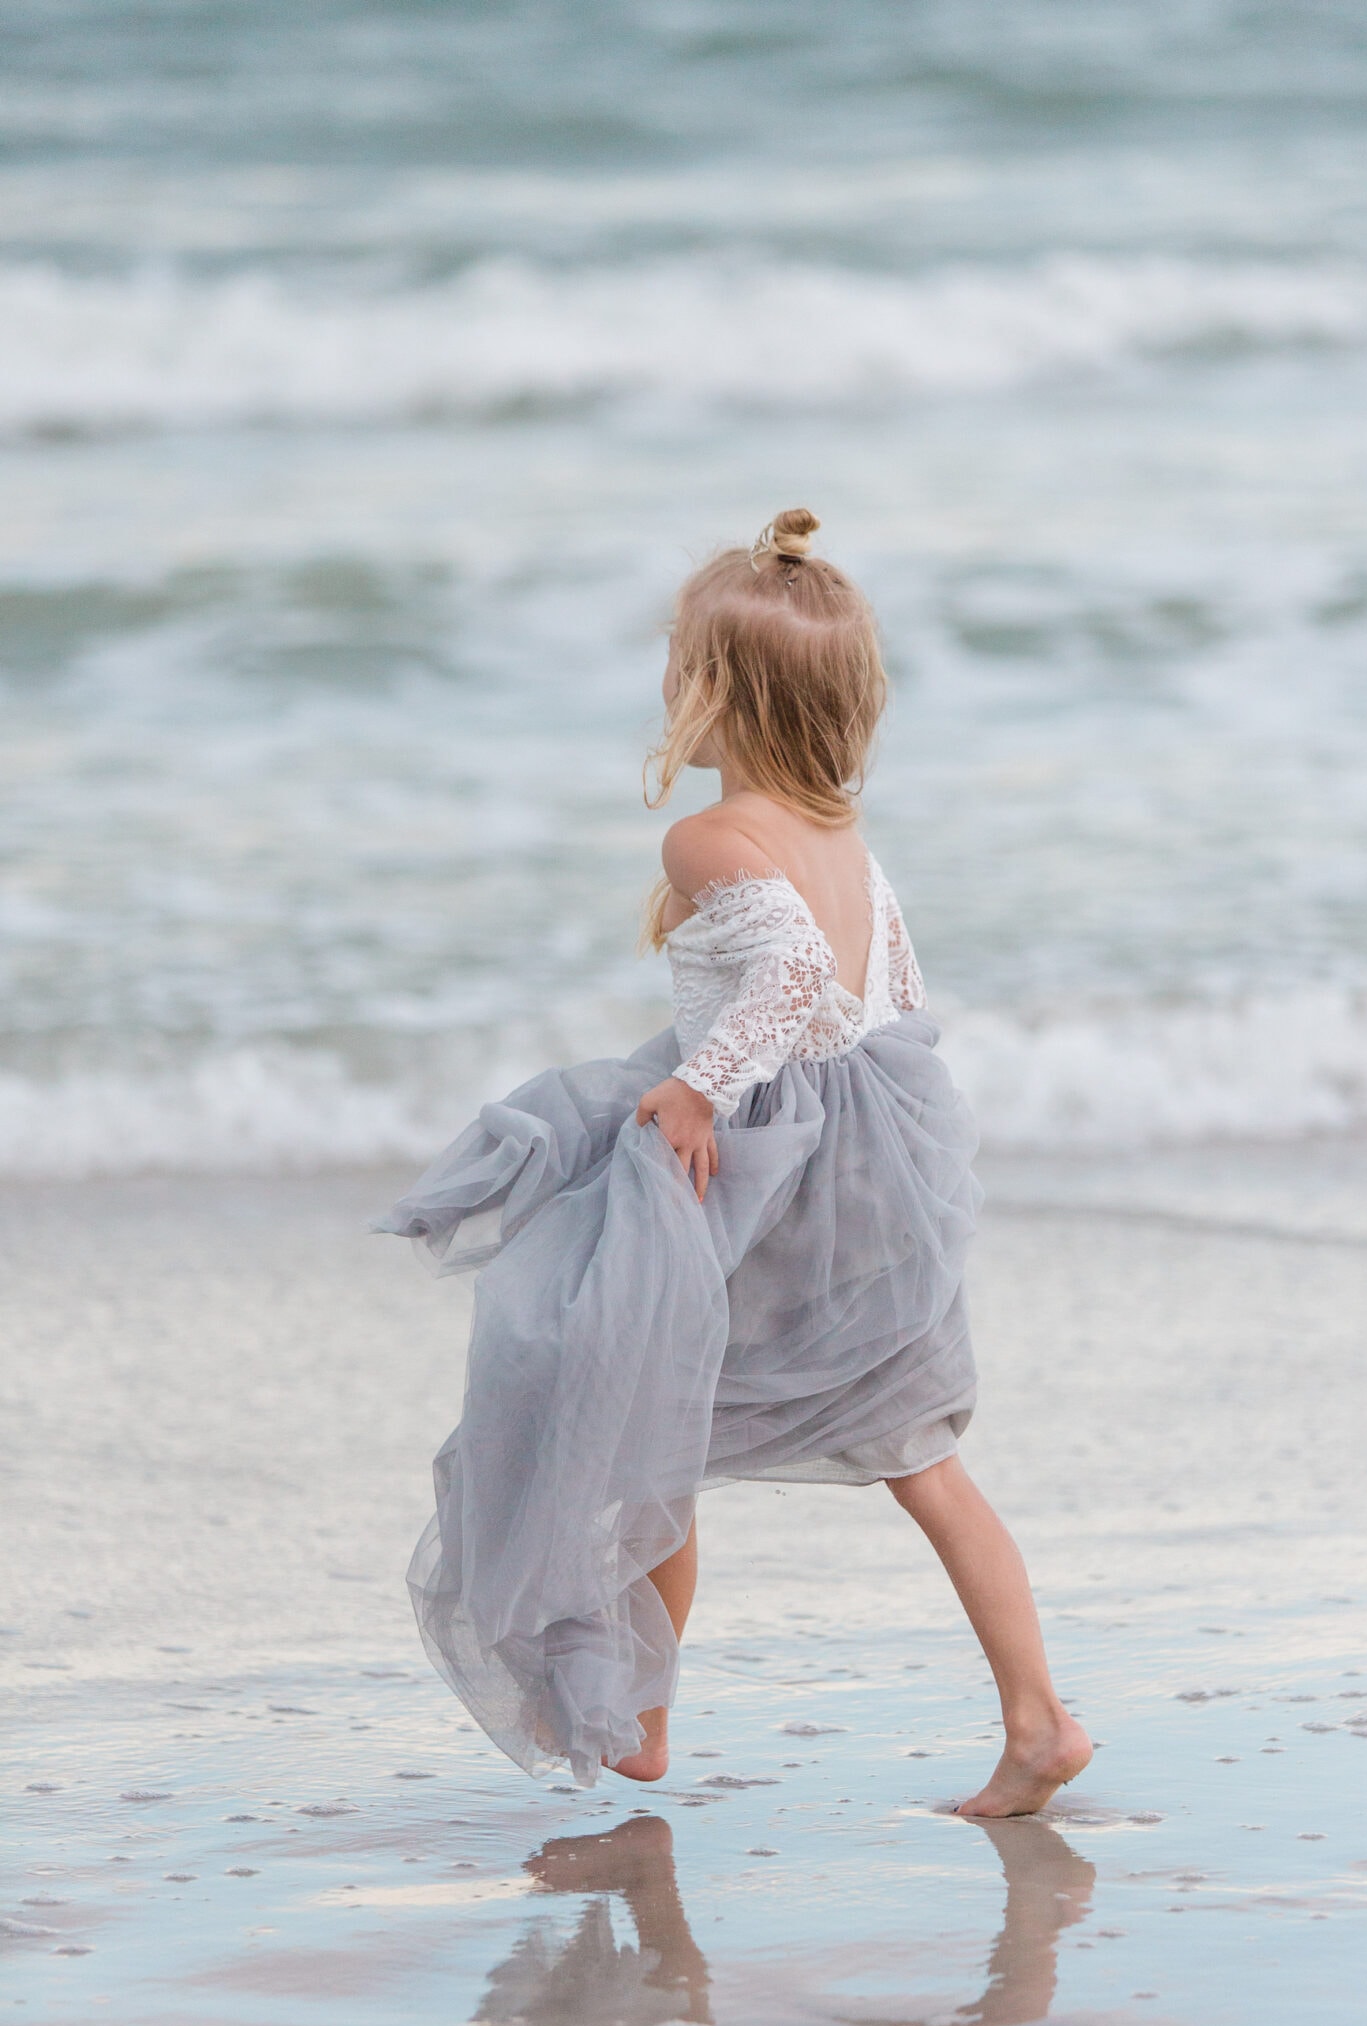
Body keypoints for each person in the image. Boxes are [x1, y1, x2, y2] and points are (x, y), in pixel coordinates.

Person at [376, 508, 1091, 1817]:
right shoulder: (843, 839)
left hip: (778, 1159)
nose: (661, 682)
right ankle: (1037, 1716)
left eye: (675, 661)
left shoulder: (711, 839)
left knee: (629, 1408)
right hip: (879, 1147)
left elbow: (793, 976)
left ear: (717, 692)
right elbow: (890, 992)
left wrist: (699, 1088)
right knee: (919, 1464)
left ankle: (641, 1716)